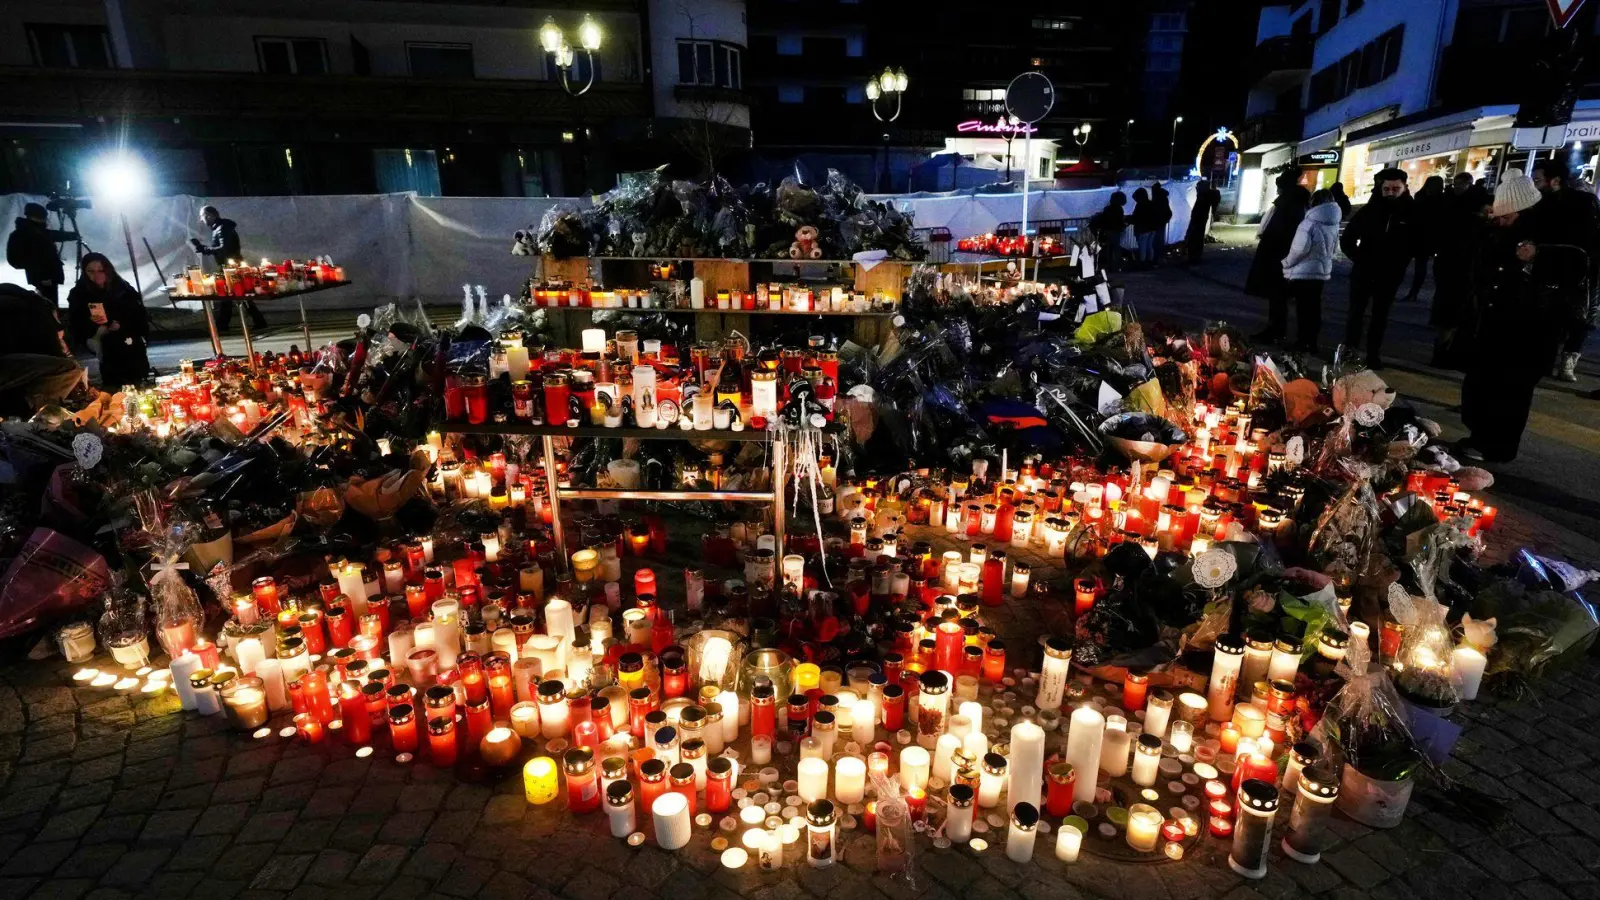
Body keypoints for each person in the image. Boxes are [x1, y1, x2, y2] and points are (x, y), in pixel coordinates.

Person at [1458, 170, 1584, 463]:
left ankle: (1497, 448)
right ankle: (1479, 437)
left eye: (1506, 217)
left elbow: (1578, 264)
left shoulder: (1554, 232)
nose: (1500, 221)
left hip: (1532, 329)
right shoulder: (1503, 233)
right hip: (1496, 323)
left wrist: (1539, 256)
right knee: (1482, 386)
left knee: (1510, 392)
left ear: (1523, 209)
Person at [1527, 160, 1600, 381]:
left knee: (1574, 318)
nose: (1535, 184)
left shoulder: (1579, 202)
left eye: (1538, 180)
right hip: (1560, 268)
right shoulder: (1542, 203)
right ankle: (1550, 362)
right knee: (1556, 317)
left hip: (1577, 269)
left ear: (1555, 180)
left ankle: (1561, 361)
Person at [1340, 168, 1415, 368]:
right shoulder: (1370, 209)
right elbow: (1347, 238)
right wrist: (1359, 258)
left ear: (1404, 188)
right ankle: (1350, 350)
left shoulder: (1412, 212)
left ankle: (1373, 354)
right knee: (1356, 313)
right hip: (1364, 271)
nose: (1390, 192)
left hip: (1390, 274)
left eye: (1395, 189)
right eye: (1387, 188)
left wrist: (1402, 259)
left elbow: (1420, 242)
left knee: (1380, 316)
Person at [1261, 191, 1341, 353]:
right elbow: (1335, 249)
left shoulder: (1309, 223)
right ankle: (1311, 342)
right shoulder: (1333, 223)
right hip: (1321, 272)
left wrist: (1287, 263)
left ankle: (1302, 341)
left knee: (1302, 308)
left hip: (1303, 272)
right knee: (1313, 308)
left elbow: (1299, 249)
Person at [1432, 180, 1493, 369]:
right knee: (1453, 320)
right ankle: (1443, 355)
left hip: (1457, 280)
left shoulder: (1464, 223)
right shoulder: (1474, 227)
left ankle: (1443, 355)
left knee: (1451, 321)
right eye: (1489, 209)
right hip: (1460, 280)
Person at [66, 252, 149, 388]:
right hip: (98, 334)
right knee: (111, 345)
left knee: (130, 344)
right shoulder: (79, 293)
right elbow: (75, 322)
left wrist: (120, 324)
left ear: (107, 270)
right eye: (91, 271)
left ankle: (138, 379)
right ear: (85, 272)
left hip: (126, 330)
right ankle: (116, 385)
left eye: (100, 270)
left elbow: (138, 313)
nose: (96, 275)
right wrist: (92, 322)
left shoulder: (122, 288)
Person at [0, 282, 84, 414]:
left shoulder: (13, 302)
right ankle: (34, 418)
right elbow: (54, 352)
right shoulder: (37, 311)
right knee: (69, 369)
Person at [191, 205, 268, 332]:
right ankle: (227, 323)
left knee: (231, 295)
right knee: (233, 295)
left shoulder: (222, 228)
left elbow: (224, 248)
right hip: (230, 266)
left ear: (210, 215)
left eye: (203, 216)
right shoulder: (221, 228)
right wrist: (206, 249)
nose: (202, 220)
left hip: (230, 267)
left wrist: (206, 249)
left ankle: (224, 324)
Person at [1246, 170, 1310, 317]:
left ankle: (1276, 330)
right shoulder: (1292, 204)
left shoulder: (1288, 205)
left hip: (1279, 257)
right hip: (1281, 256)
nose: (1277, 190)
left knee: (1278, 294)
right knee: (1277, 295)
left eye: (1279, 186)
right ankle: (1275, 328)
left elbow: (1280, 234)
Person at [6, 202, 79, 304]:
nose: (45, 220)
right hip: (44, 277)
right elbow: (16, 260)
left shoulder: (34, 231)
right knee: (48, 304)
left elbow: (54, 235)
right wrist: (40, 273)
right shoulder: (29, 233)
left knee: (47, 303)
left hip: (45, 277)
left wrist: (73, 235)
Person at [1403, 175, 1447, 303]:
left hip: (1418, 235)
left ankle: (1413, 292)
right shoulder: (1441, 199)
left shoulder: (1422, 197)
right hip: (1427, 237)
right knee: (1420, 265)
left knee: (1415, 264)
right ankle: (1414, 292)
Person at [1091, 191, 1128, 273]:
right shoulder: (1119, 209)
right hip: (1115, 230)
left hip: (1107, 230)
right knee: (1116, 248)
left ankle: (1109, 266)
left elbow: (1104, 220)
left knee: (1109, 249)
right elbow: (1120, 221)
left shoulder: (1107, 209)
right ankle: (1115, 266)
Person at [1184, 182, 1219, 264]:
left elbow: (1198, 211)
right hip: (1199, 220)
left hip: (1198, 221)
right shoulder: (1204, 196)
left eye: (1198, 187)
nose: (1196, 188)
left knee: (1194, 239)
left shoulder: (1203, 197)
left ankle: (1194, 258)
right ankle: (1195, 257)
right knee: (1197, 239)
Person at [1131, 188, 1160, 265]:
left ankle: (1142, 262)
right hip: (1152, 228)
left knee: (1142, 246)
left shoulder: (1140, 205)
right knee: (1149, 246)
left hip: (1143, 229)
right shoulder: (1151, 204)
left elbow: (1137, 217)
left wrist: (1130, 219)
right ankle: (1150, 261)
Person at [1151, 181, 1173, 262]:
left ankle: (1156, 258)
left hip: (1157, 223)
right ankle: (1159, 257)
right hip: (1161, 222)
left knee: (1156, 241)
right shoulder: (1163, 197)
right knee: (1159, 240)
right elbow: (1168, 212)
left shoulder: (1157, 198)